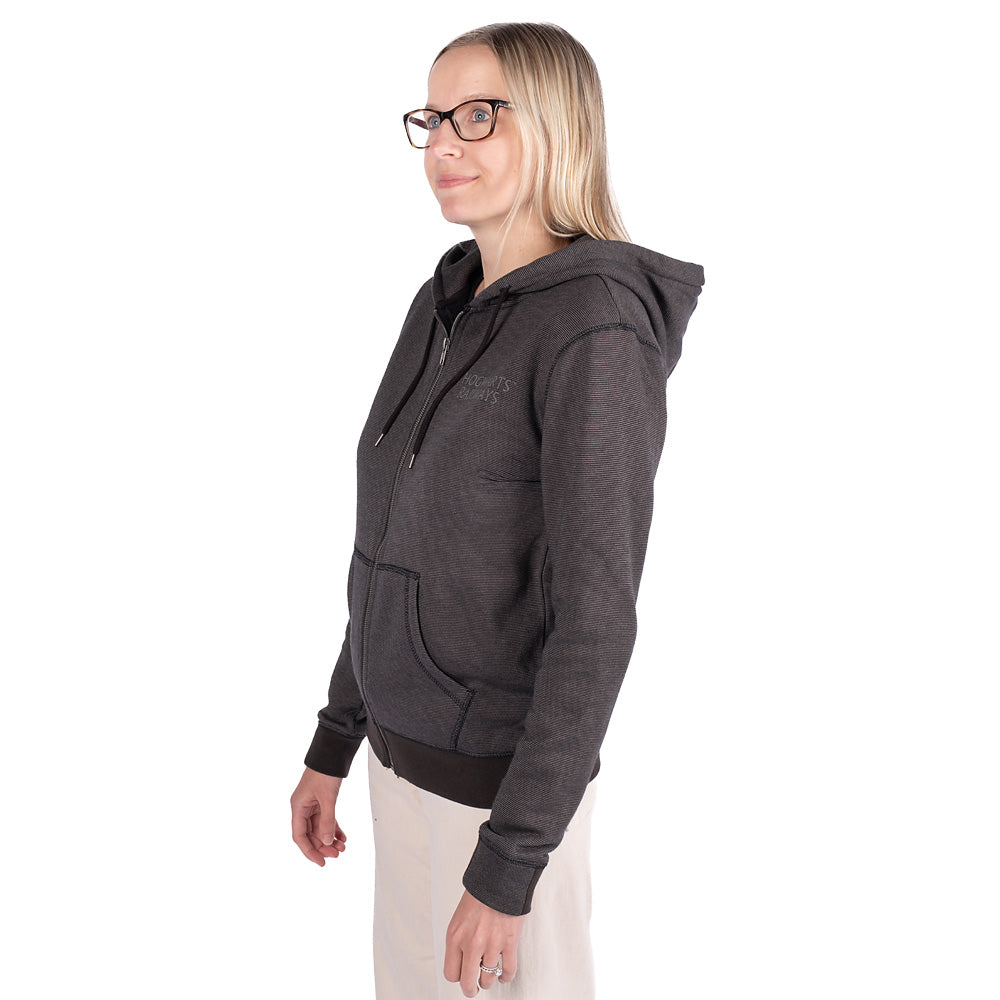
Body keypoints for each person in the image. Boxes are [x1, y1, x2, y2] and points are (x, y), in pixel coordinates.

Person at [290, 21, 705, 999]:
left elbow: (596, 620)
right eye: (433, 118)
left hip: (501, 802)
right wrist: (336, 739)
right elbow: (390, 545)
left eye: (477, 116)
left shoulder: (594, 327)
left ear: (557, 125)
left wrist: (509, 862)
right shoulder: (444, 302)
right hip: (401, 771)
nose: (443, 144)